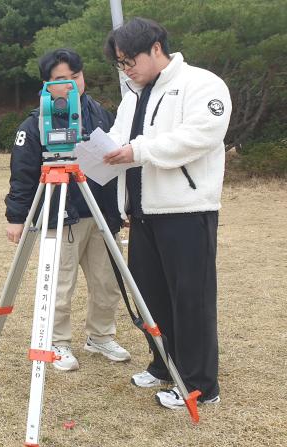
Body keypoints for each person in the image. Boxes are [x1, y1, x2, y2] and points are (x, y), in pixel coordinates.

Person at [102, 17, 230, 409]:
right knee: (151, 297)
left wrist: (138, 150)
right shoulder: (132, 96)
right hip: (142, 213)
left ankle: (199, 385)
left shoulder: (201, 84)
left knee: (190, 299)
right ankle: (163, 365)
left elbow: (200, 135)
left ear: (156, 48)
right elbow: (118, 141)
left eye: (130, 61)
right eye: (120, 64)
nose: (126, 70)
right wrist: (98, 151)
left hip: (186, 211)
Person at [4, 49, 130, 372]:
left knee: (107, 282)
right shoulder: (34, 124)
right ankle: (57, 342)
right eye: (62, 79)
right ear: (46, 84)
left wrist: (122, 206)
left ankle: (100, 335)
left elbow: (116, 161)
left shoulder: (100, 114)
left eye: (76, 76)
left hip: (100, 213)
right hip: (60, 216)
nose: (72, 84)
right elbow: (22, 175)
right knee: (59, 284)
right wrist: (16, 218)